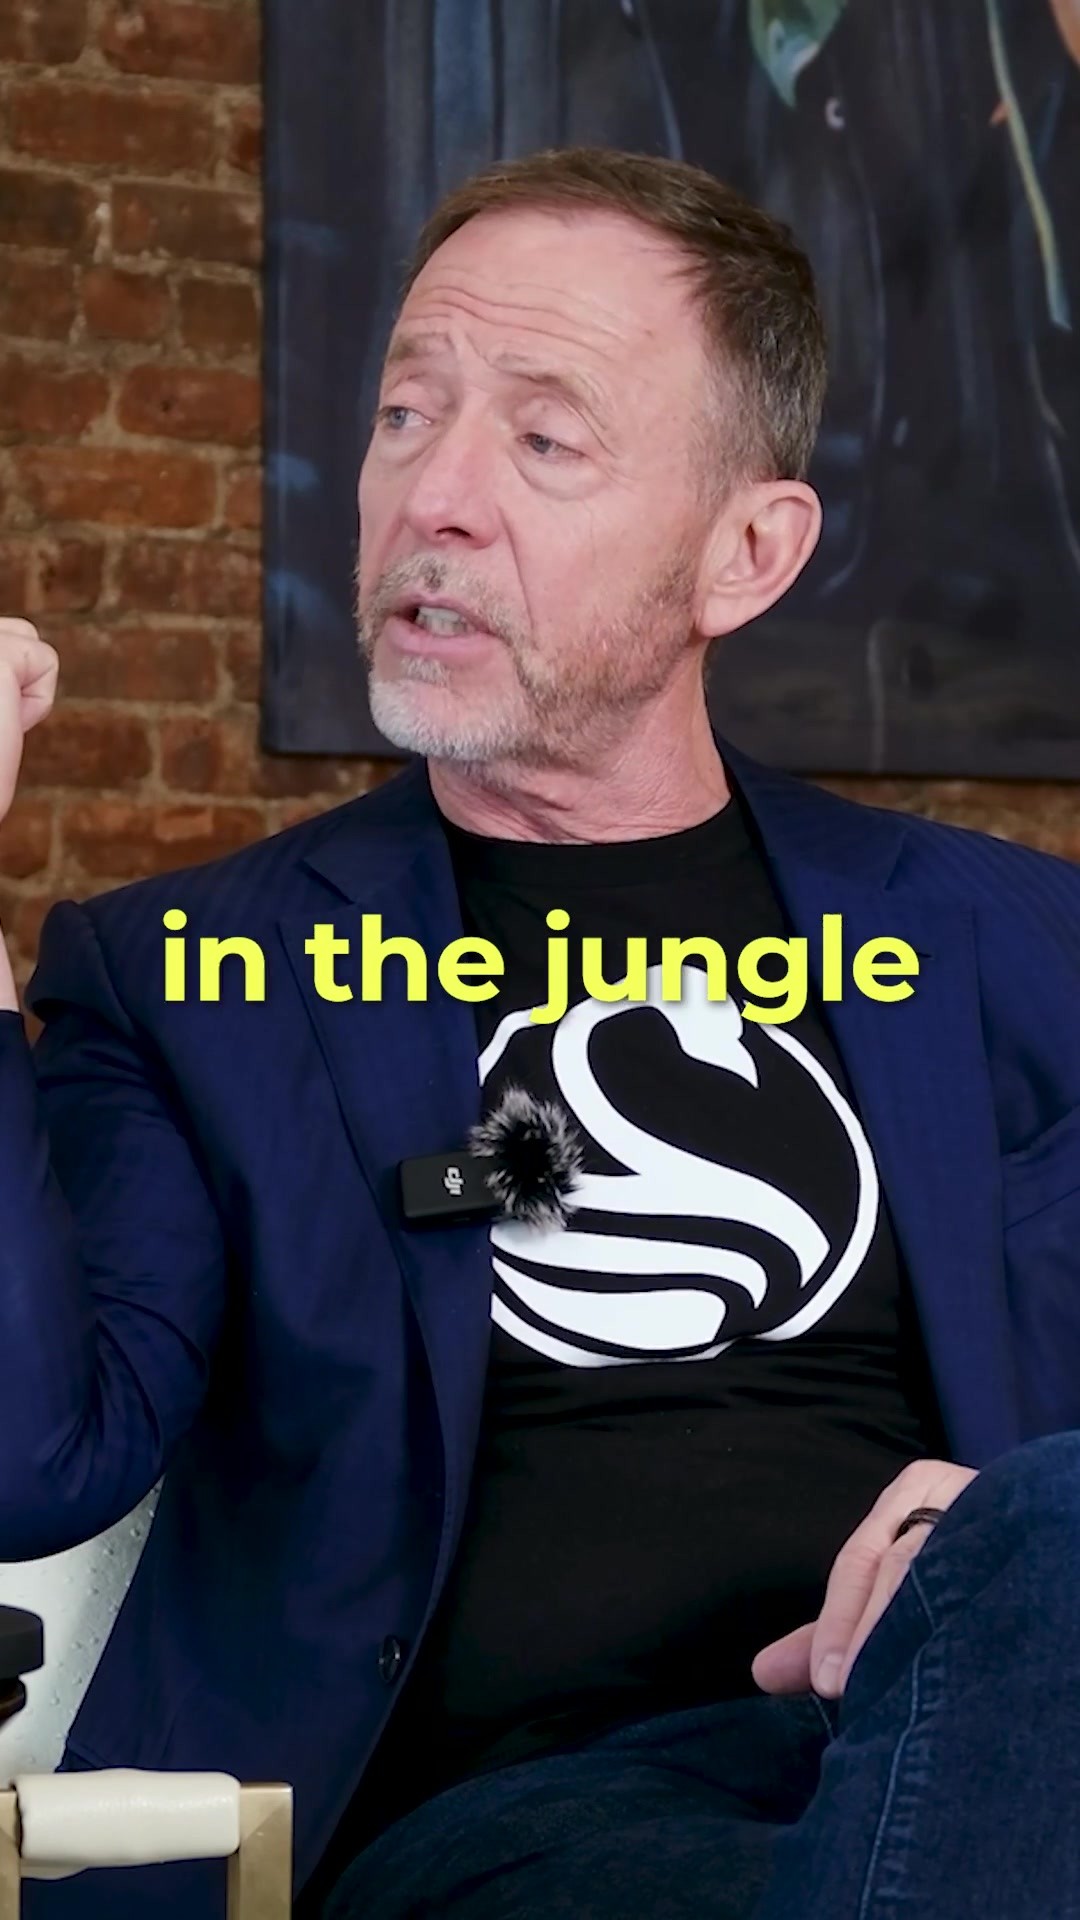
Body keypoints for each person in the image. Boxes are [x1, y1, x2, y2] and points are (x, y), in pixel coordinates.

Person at [1, 148, 1079, 1920]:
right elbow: (30, 1463)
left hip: (954, 1749)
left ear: (747, 552)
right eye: (405, 413)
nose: (435, 496)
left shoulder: (1010, 945)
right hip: (522, 1830)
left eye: (546, 439)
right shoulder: (195, 975)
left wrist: (1000, 1531)